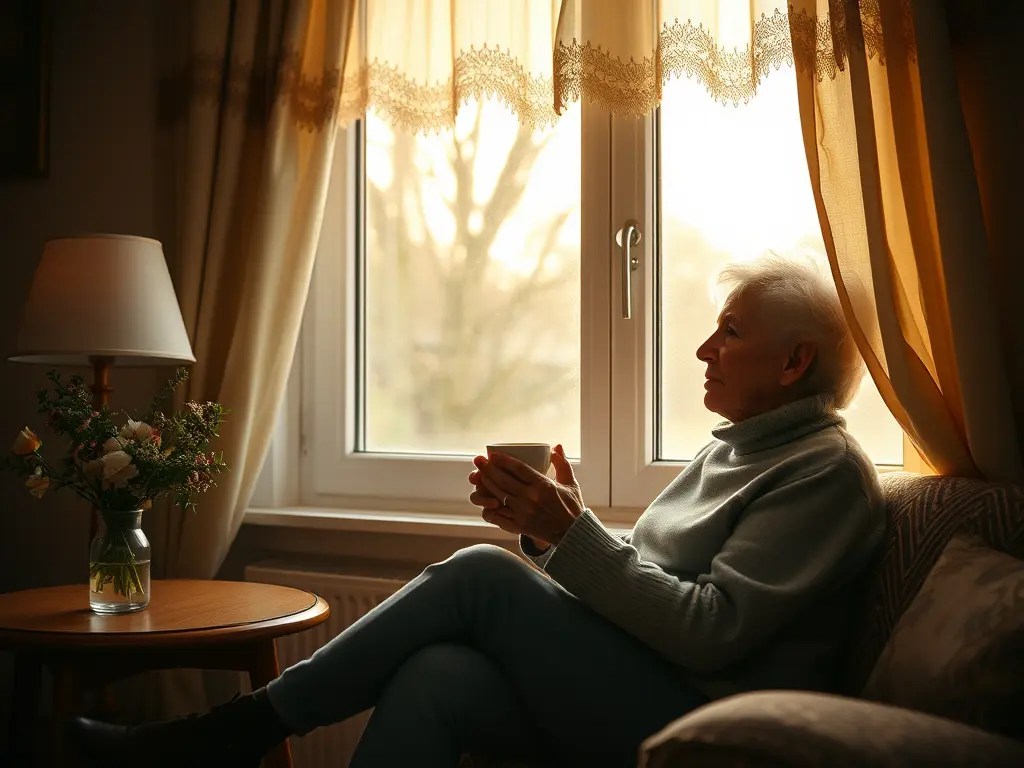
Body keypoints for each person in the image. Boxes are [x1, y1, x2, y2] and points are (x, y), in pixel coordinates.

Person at [71, 254, 886, 768]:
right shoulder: (734, 449)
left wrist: (572, 535)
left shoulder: (824, 473)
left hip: (710, 721)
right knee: (439, 676)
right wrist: (553, 531)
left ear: (795, 361)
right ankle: (228, 738)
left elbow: (710, 630)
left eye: (729, 332)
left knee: (480, 577)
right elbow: (655, 580)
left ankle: (226, 736)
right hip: (645, 684)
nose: (705, 349)